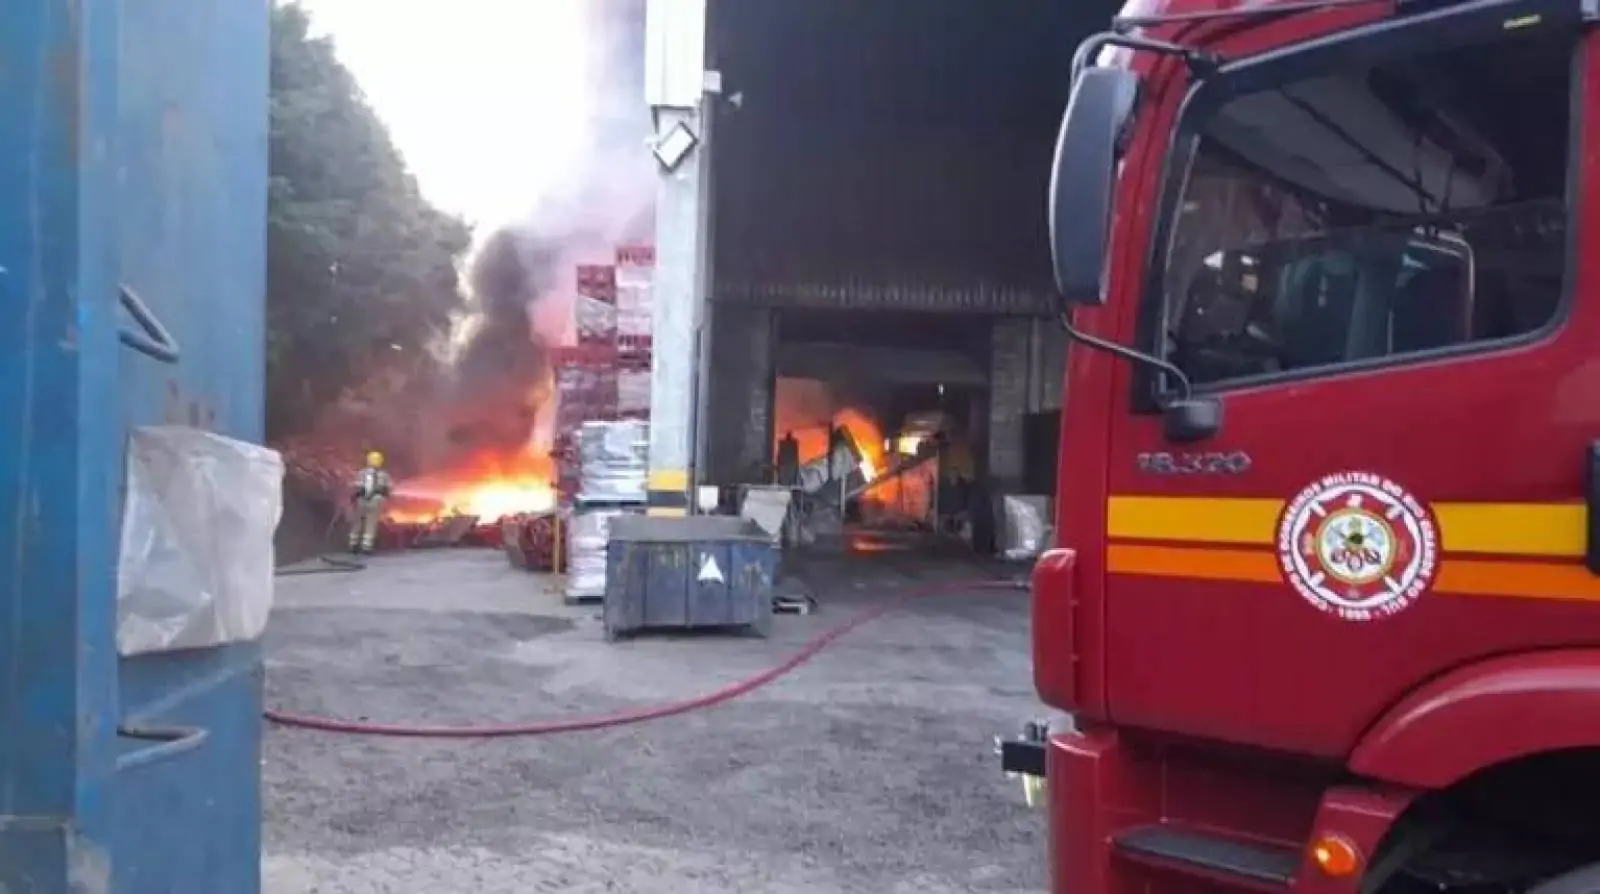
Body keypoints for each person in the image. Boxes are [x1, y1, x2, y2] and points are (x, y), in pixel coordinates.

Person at [348, 450, 393, 554]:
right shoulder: (383, 475)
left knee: (361, 522)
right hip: (371, 500)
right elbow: (389, 488)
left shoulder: (362, 473)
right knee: (368, 523)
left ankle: (356, 544)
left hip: (367, 500)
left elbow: (355, 486)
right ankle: (364, 546)